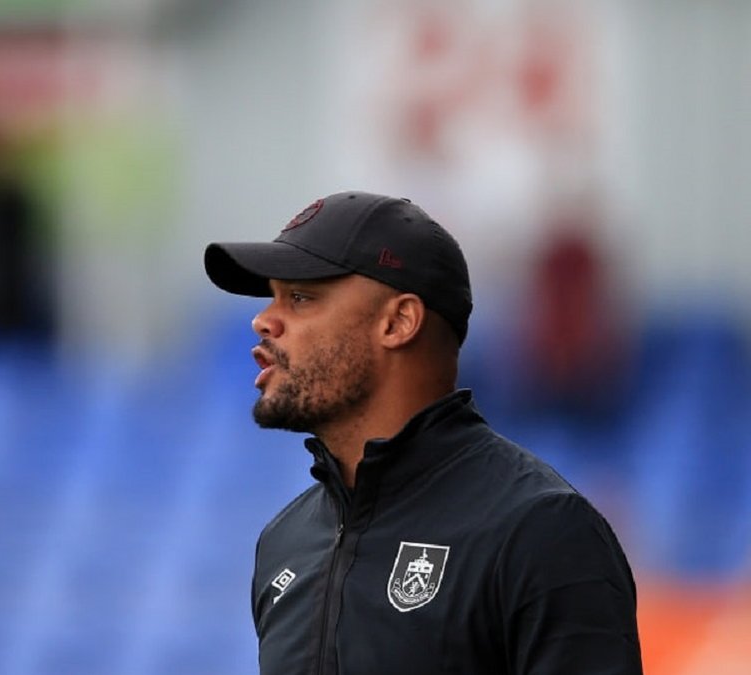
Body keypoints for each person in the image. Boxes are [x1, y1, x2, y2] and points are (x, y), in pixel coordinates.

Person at [203, 191, 642, 674]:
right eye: (273, 297)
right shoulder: (285, 542)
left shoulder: (540, 530)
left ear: (398, 322)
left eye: (301, 298)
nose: (263, 320)